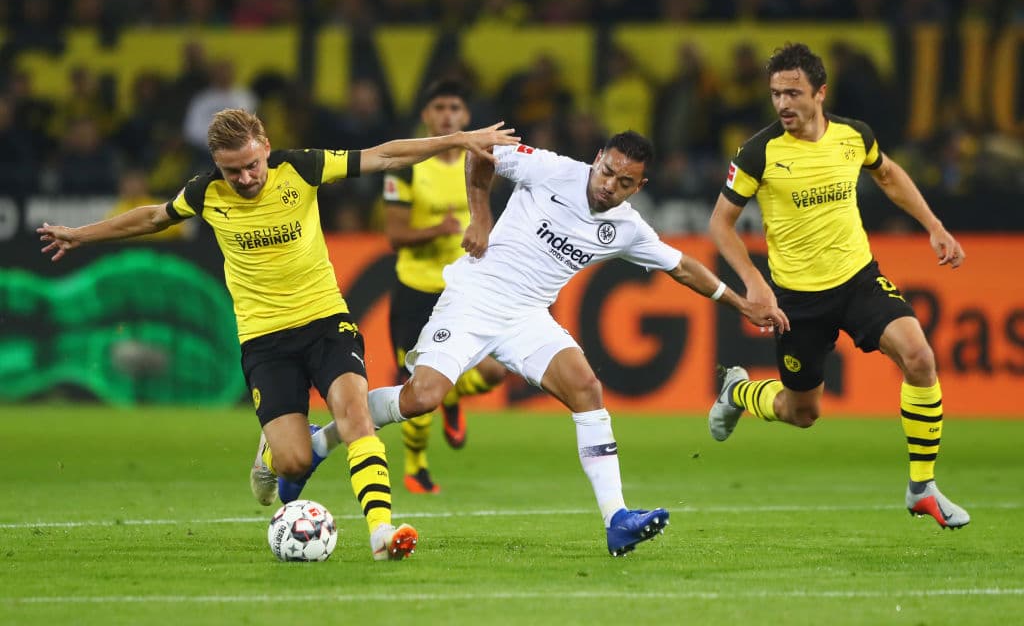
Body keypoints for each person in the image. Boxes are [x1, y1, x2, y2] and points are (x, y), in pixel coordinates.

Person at [38, 108, 519, 560]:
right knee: (293, 463)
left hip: (326, 320)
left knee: (355, 416)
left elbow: (385, 155)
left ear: (265, 146)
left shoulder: (301, 168)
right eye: (233, 171)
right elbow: (151, 217)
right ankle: (275, 447)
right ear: (216, 167)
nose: (245, 179)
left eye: (250, 165)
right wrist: (81, 235)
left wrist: (457, 139)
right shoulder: (206, 193)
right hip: (265, 341)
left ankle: (381, 531)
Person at [365, 131, 788, 556]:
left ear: (639, 187)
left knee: (586, 388)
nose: (610, 185)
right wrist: (480, 217)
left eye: (625, 183)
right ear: (598, 157)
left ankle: (616, 519)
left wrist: (741, 305)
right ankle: (332, 432)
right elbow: (484, 152)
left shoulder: (626, 228)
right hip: (475, 297)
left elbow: (682, 267)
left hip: (527, 315)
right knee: (420, 399)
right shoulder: (551, 170)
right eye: (607, 171)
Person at [706, 43, 970, 529]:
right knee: (802, 412)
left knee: (920, 357)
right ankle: (738, 391)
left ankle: (922, 488)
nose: (783, 104)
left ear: (820, 93)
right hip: (797, 300)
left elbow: (887, 175)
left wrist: (933, 225)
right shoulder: (759, 152)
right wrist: (754, 284)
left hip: (858, 280)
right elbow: (721, 225)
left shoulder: (853, 137)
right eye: (775, 94)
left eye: (793, 93)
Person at [380, 79, 509, 494]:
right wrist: (440, 228)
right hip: (416, 290)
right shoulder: (407, 166)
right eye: (439, 107)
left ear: (466, 117)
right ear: (426, 116)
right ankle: (416, 467)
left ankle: (451, 396)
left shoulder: (482, 163)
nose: (448, 115)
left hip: (464, 290)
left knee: (494, 371)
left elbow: (491, 218)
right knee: (417, 386)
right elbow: (395, 234)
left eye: (455, 107)